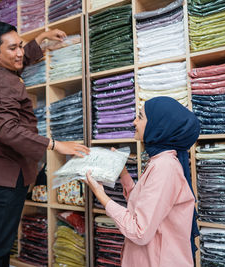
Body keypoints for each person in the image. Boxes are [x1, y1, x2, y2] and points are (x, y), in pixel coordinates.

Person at [0, 22, 89, 267]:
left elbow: (20, 61)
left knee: (2, 240)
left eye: (20, 45)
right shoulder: (4, 84)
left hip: (6, 168)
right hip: (8, 172)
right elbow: (8, 130)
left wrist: (40, 38)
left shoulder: (0, 71)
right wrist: (54, 145)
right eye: (12, 48)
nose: (19, 53)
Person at [85, 96, 200, 266]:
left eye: (140, 117)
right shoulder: (159, 161)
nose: (134, 122)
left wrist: (101, 195)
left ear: (158, 125)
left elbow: (139, 231)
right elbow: (145, 205)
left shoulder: (165, 167)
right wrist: (123, 172)